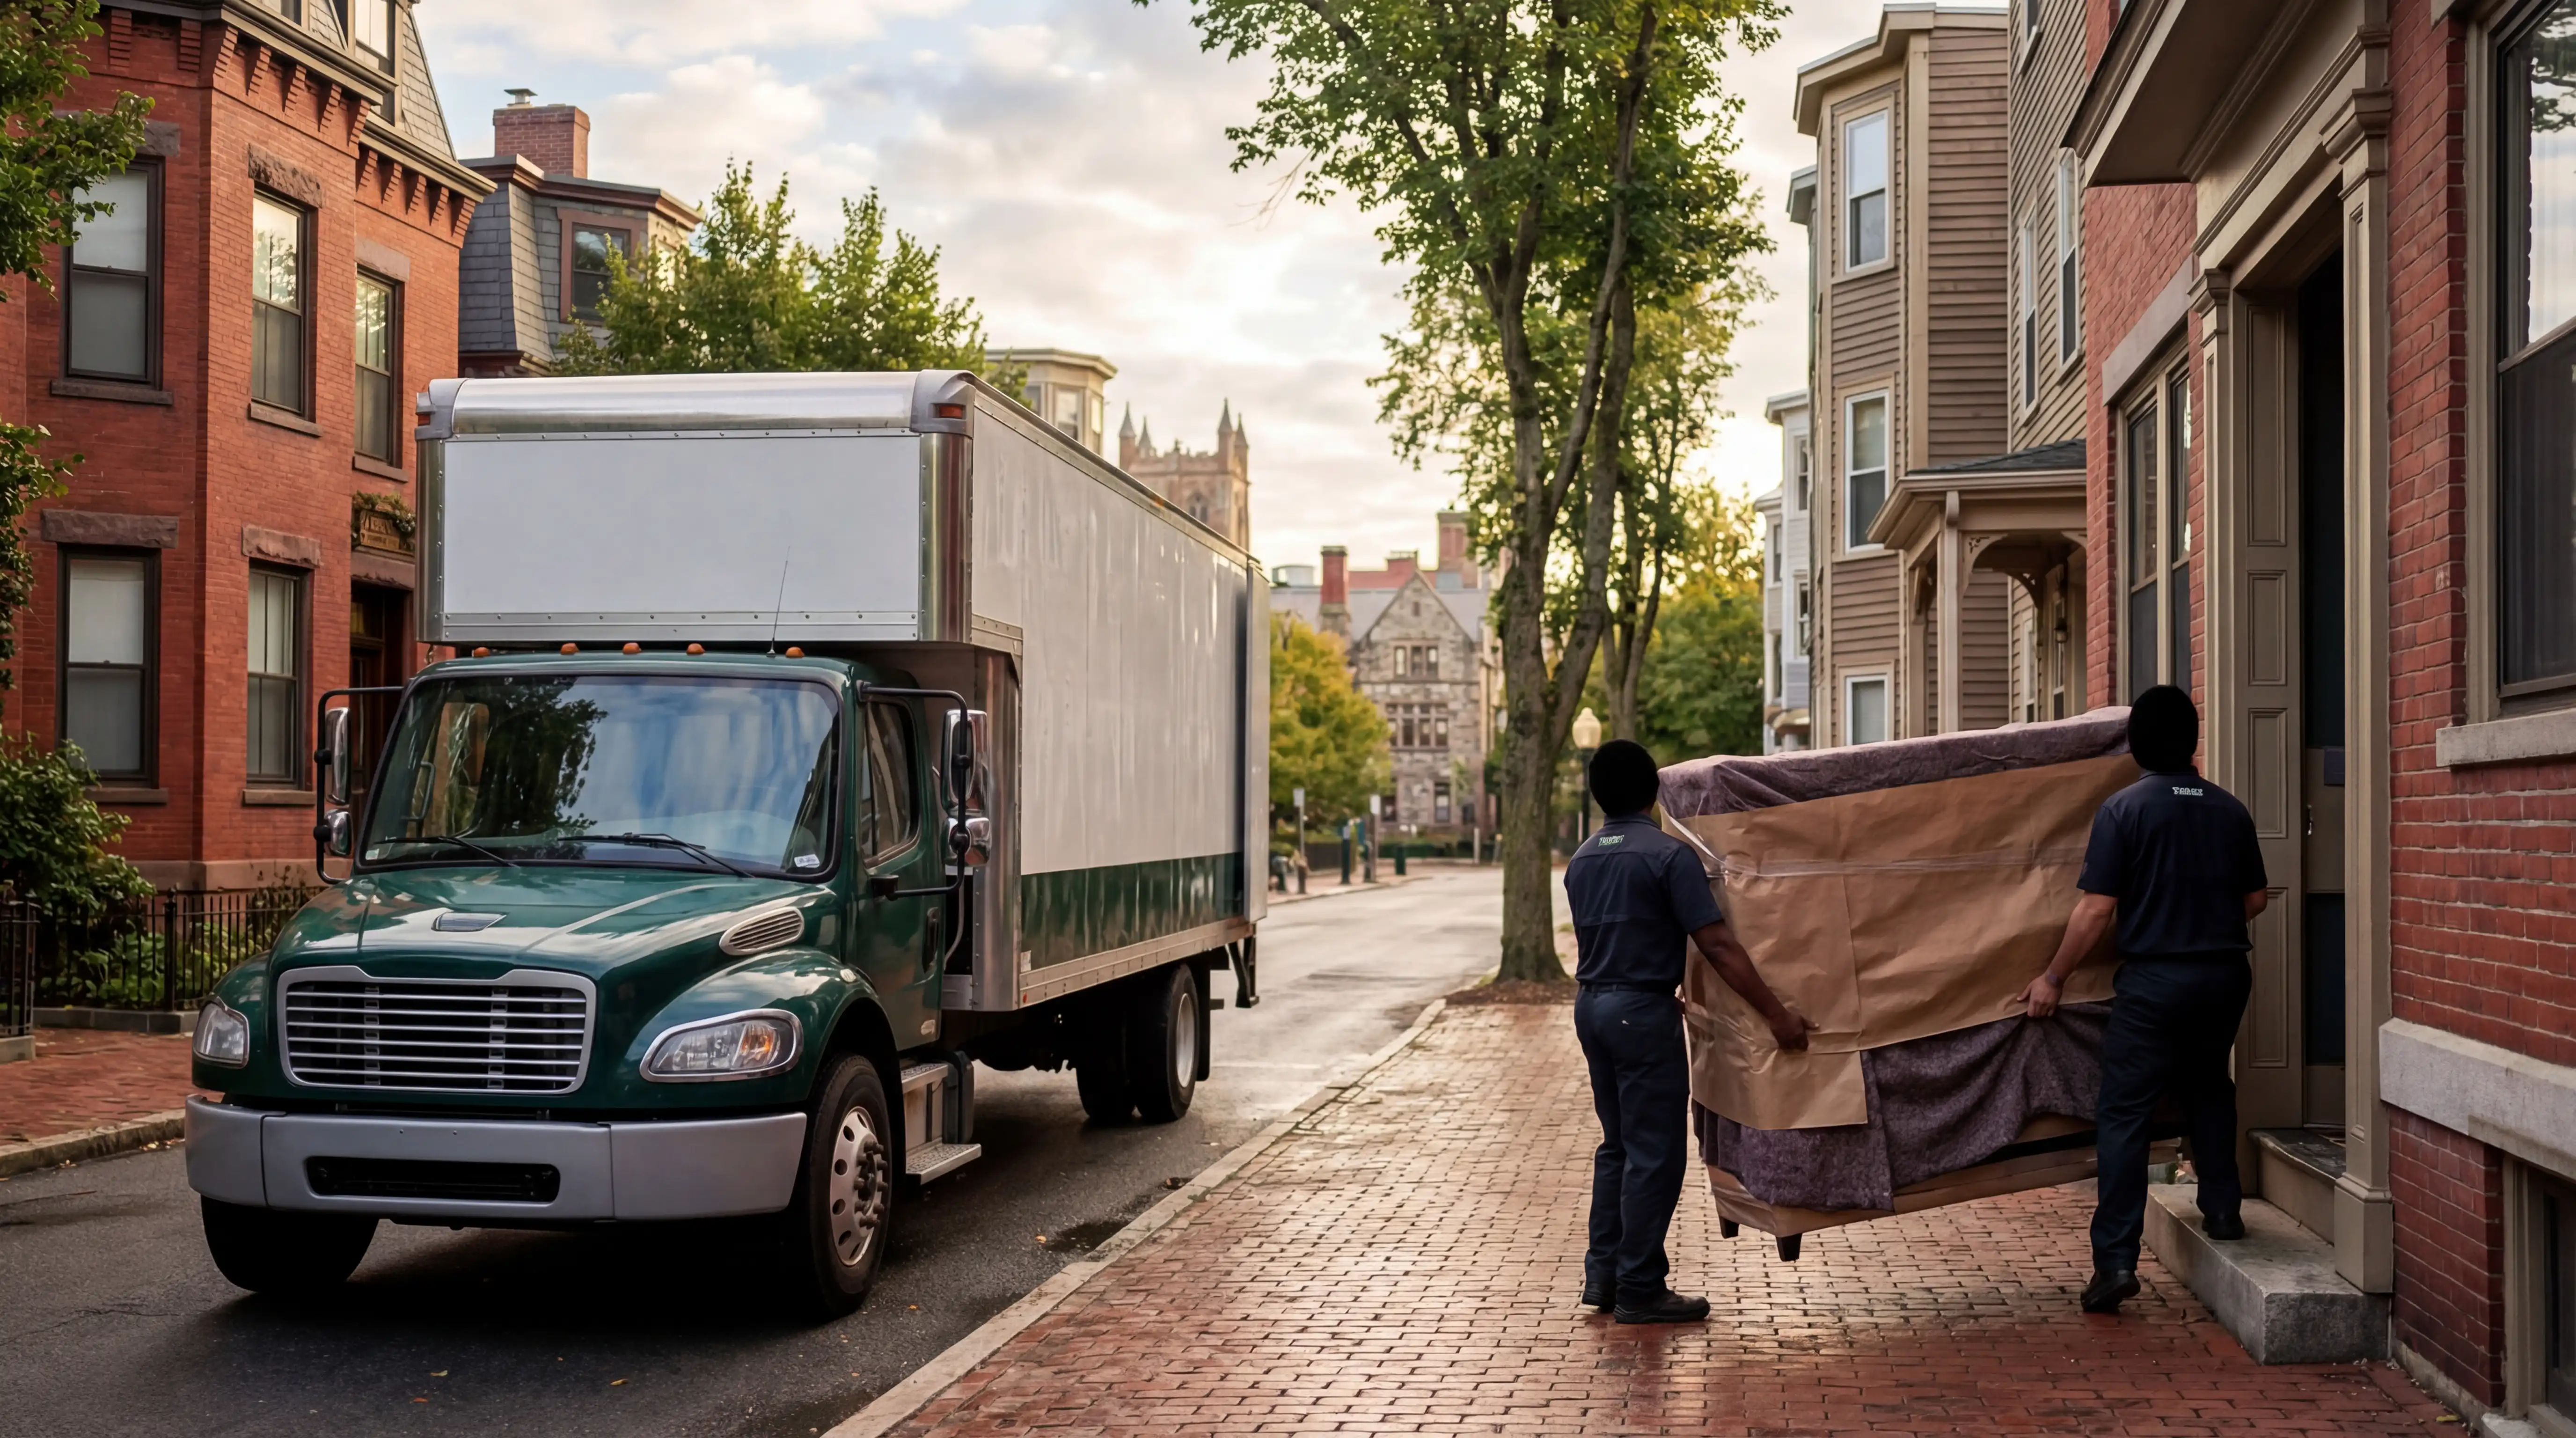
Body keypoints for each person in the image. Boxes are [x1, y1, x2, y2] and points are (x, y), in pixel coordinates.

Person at [2020, 685, 2269, 1315]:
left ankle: (2116, 1263)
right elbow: (2256, 902)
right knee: (2210, 1086)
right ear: (2192, 743)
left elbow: (2096, 909)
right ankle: (2223, 1210)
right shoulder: (2230, 810)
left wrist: (2053, 977)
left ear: (2136, 745)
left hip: (2156, 982)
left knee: (2125, 1111)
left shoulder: (2124, 810)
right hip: (2224, 974)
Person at [1566, 739, 1814, 1325]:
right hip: (1640, 1014)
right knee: (1653, 1154)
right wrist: (1776, 1016)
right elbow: (1719, 946)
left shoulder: (1582, 858)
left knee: (1618, 1146)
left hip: (1593, 1008)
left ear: (1597, 794)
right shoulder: (1666, 856)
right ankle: (1640, 1286)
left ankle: (1603, 1276)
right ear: (1653, 791)